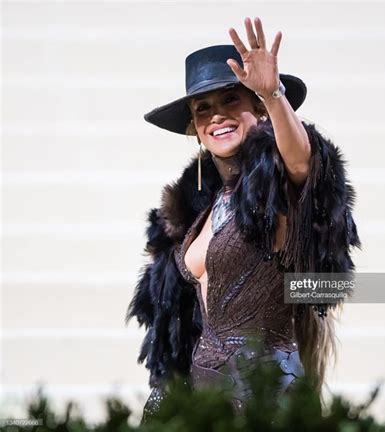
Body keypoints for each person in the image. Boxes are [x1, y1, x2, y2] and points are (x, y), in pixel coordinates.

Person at [126, 17, 361, 422]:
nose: (217, 116)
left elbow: (302, 163)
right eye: (204, 109)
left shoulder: (276, 189)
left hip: (266, 395)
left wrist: (273, 94)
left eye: (231, 100)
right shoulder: (199, 210)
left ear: (257, 109)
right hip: (203, 399)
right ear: (196, 131)